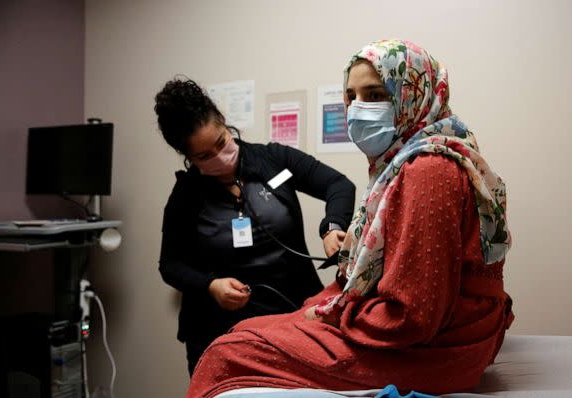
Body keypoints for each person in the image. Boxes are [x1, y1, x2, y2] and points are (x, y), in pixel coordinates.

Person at [185, 39, 514, 397]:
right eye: (351, 96)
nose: (358, 109)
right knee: (244, 332)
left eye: (374, 95)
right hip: (439, 331)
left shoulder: (426, 171)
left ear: (413, 95)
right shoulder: (414, 158)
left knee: (227, 352)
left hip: (437, 349)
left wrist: (334, 305)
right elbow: (169, 262)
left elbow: (413, 316)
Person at [154, 78, 356, 376]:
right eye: (204, 156)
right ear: (188, 157)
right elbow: (169, 265)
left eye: (221, 141)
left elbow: (338, 184)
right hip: (221, 334)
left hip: (294, 319)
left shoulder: (274, 159)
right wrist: (210, 285)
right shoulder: (186, 196)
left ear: (224, 123)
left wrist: (333, 227)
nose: (219, 156)